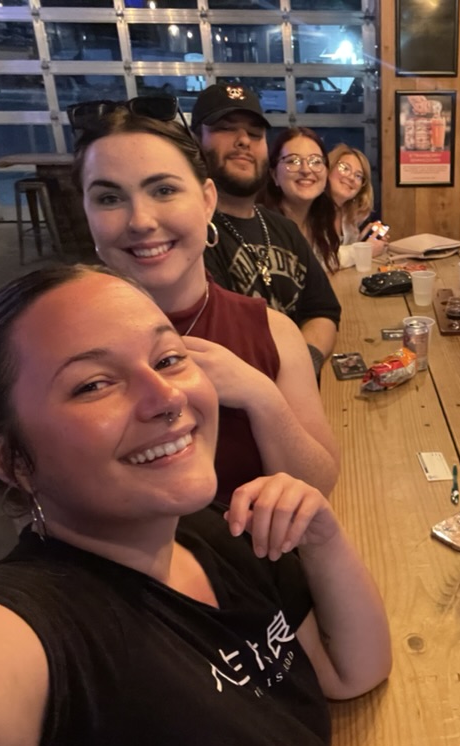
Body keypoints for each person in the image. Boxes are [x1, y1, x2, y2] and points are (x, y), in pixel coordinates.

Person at [0, 264, 392, 746]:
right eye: (93, 385)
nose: (168, 397)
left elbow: (349, 673)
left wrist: (323, 541)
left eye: (168, 359)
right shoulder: (34, 628)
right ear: (8, 460)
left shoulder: (220, 531)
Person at [72, 105, 339, 500]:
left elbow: (319, 484)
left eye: (164, 190)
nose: (141, 221)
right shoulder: (66, 348)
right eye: (109, 198)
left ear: (207, 200)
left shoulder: (273, 333)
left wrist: (263, 398)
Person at [192, 82, 341, 373]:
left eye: (255, 133)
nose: (243, 140)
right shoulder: (190, 235)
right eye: (225, 128)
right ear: (195, 142)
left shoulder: (284, 229)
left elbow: (323, 312)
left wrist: (304, 365)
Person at [260, 127, 341, 273]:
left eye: (315, 161)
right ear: (274, 175)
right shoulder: (262, 230)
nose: (306, 170)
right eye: (293, 161)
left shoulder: (320, 223)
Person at [327, 143, 386, 265]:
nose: (351, 178)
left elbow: (342, 254)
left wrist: (362, 241)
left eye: (358, 176)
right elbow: (320, 259)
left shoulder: (348, 215)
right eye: (345, 168)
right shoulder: (310, 209)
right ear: (328, 168)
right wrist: (365, 250)